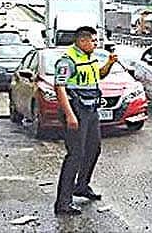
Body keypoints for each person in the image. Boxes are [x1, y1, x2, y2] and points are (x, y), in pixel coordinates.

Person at [53, 26, 118, 216]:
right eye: (93, 41)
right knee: (75, 155)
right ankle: (63, 203)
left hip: (91, 110)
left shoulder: (89, 57)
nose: (96, 44)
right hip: (76, 110)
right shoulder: (68, 60)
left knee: (93, 149)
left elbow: (99, 75)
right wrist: (69, 115)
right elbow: (59, 87)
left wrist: (109, 63)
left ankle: (82, 186)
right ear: (82, 41)